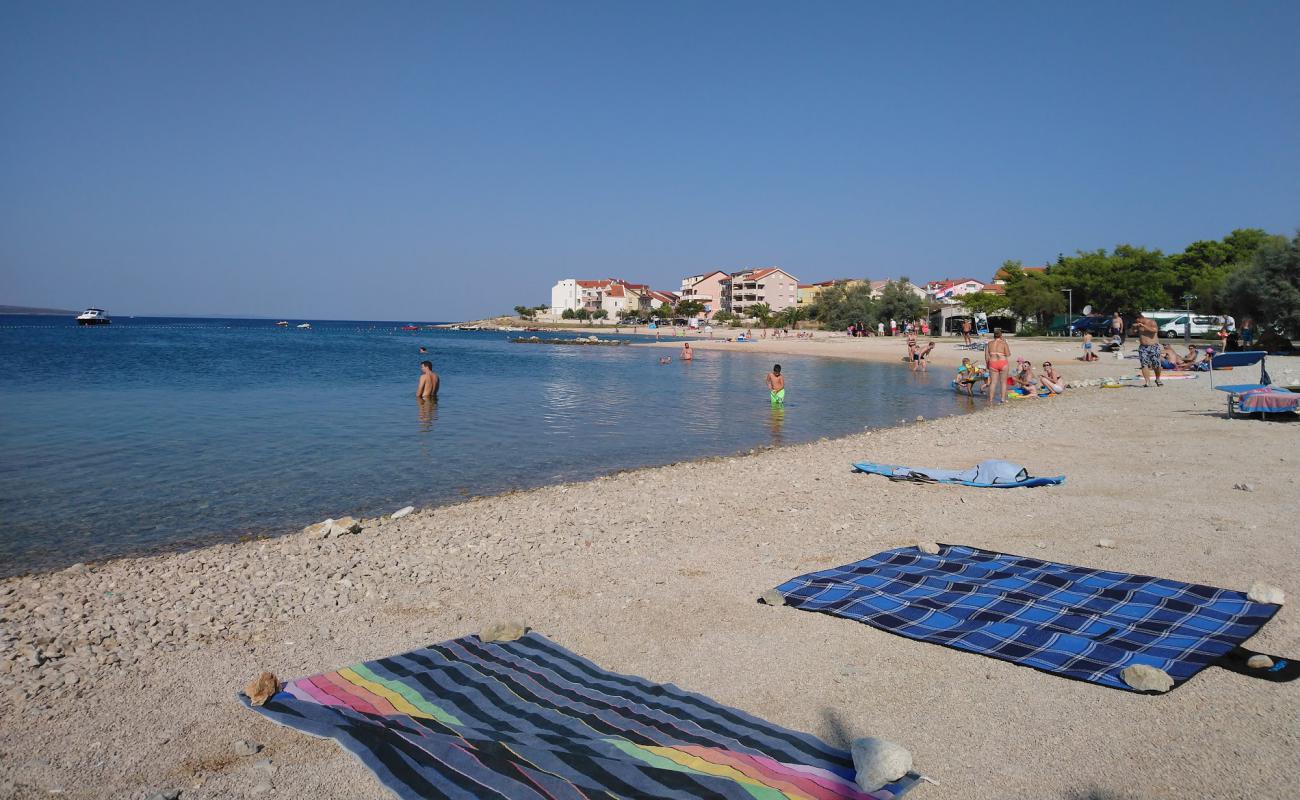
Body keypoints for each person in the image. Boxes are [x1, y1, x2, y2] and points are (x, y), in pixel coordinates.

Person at [1130, 312, 1163, 387]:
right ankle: (1147, 382)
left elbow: (1154, 330)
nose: (1137, 322)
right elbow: (1132, 333)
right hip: (1143, 347)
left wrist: (1143, 325)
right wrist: (1133, 328)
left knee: (1157, 365)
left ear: (1140, 318)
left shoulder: (1151, 322)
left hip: (1154, 346)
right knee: (1144, 364)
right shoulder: (1138, 325)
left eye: (1138, 321)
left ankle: (1157, 379)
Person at [985, 328, 1011, 405]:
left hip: (992, 363)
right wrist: (1004, 342)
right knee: (1003, 382)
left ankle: (990, 400)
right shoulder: (1003, 343)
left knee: (993, 382)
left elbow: (986, 356)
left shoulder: (989, 343)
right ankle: (1002, 399)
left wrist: (987, 364)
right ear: (1001, 335)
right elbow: (1008, 354)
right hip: (1003, 362)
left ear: (994, 336)